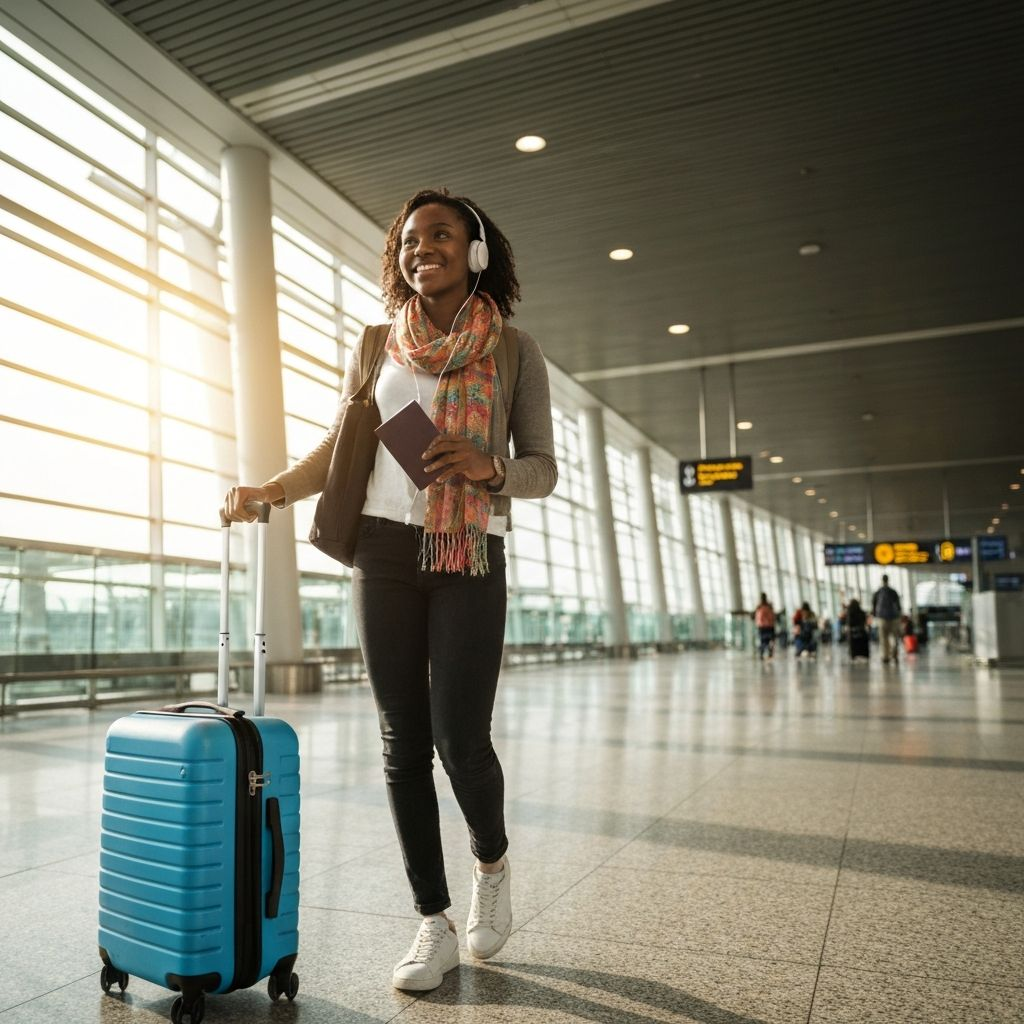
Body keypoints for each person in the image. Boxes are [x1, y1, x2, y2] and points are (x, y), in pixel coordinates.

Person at [223, 188, 557, 992]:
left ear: (475, 250)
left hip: (470, 549)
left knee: (460, 739)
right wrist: (271, 489)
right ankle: (432, 921)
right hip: (383, 550)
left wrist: (490, 466)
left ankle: (491, 864)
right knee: (402, 742)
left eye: (440, 235)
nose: (421, 249)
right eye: (410, 239)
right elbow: (341, 444)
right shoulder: (378, 344)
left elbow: (542, 468)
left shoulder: (514, 350)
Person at [871, 573, 902, 664]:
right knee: (894, 638)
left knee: (883, 638)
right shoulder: (893, 591)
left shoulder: (878, 592)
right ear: (888, 580)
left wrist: (875, 615)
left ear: (882, 580)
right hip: (894, 618)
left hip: (882, 618)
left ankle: (885, 656)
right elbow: (898, 606)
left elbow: (874, 605)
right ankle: (894, 655)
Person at [753, 593, 776, 660]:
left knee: (762, 640)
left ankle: (762, 654)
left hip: (762, 626)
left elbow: (756, 616)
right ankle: (769, 653)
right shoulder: (769, 606)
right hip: (770, 626)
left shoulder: (759, 607)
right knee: (770, 640)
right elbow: (773, 616)